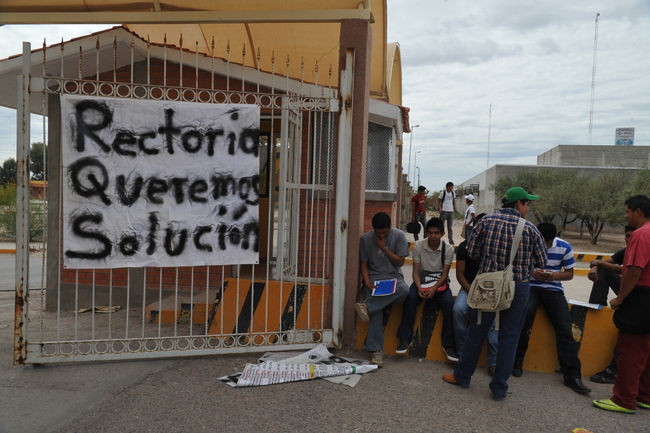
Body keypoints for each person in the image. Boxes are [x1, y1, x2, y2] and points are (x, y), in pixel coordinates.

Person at [442, 186, 547, 401]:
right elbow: (542, 262)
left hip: (487, 285)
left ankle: (462, 376)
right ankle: (499, 388)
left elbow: (471, 252)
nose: (528, 208)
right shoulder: (530, 229)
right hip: (517, 288)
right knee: (510, 337)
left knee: (476, 332)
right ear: (518, 204)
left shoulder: (485, 222)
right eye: (527, 204)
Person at [511, 222, 591, 395]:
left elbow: (569, 274)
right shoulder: (528, 243)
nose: (544, 246)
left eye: (547, 243)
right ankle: (517, 361)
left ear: (553, 239)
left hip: (553, 290)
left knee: (564, 328)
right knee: (524, 318)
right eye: (542, 242)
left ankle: (572, 376)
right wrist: (533, 273)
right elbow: (518, 267)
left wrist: (554, 275)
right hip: (531, 287)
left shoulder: (564, 247)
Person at [593, 195, 650, 414]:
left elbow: (634, 270)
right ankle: (644, 396)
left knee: (629, 351)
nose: (625, 215)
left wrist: (621, 298)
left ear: (637, 212)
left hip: (640, 298)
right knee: (645, 350)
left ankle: (624, 399)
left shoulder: (640, 235)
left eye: (627, 211)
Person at [395, 217, 457, 360]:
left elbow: (445, 274)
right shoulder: (418, 246)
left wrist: (434, 289)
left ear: (442, 234)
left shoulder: (447, 249)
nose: (433, 236)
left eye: (436, 233)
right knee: (410, 298)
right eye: (430, 232)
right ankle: (405, 339)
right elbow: (415, 271)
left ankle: (448, 345)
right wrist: (418, 287)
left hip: (439, 284)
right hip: (421, 281)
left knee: (449, 304)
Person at [355, 212, 410, 367]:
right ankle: (376, 352)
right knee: (378, 310)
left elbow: (400, 262)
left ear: (390, 228)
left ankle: (366, 305)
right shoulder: (366, 239)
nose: (381, 235)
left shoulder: (399, 236)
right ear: (373, 229)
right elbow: (364, 264)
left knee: (404, 290)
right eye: (378, 233)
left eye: (384, 233)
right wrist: (366, 282)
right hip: (374, 278)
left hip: (393, 277)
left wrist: (384, 249)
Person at [452, 213, 499, 376]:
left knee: (493, 321)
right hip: (469, 287)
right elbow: (460, 274)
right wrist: (472, 291)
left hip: (490, 289)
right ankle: (462, 353)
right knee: (458, 310)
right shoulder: (464, 246)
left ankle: (493, 362)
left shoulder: (496, 247)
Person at [588, 225, 636, 384]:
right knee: (603, 271)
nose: (629, 240)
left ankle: (613, 371)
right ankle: (595, 308)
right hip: (627, 293)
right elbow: (606, 263)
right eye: (627, 236)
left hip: (639, 297)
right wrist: (596, 266)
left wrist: (598, 263)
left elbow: (626, 272)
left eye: (632, 236)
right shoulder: (625, 251)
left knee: (627, 334)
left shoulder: (640, 250)